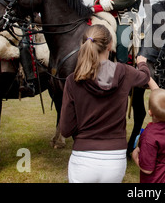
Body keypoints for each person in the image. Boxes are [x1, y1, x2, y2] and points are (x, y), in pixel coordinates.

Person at [59, 24, 157, 183]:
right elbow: (145, 77)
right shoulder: (125, 71)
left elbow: (65, 129)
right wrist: (142, 63)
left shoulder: (72, 80)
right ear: (110, 45)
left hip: (82, 159)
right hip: (115, 160)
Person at [132, 88, 165, 183]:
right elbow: (158, 92)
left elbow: (147, 169)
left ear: (150, 112)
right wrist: (149, 79)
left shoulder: (149, 137)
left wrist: (135, 157)